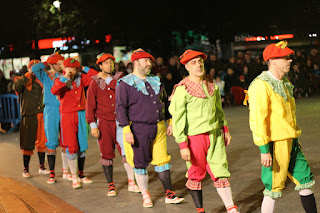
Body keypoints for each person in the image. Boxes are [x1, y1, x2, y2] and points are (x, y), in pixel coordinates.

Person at [246, 41, 317, 213]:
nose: (290, 60)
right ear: (273, 60)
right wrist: (264, 149)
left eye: (289, 57)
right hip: (275, 144)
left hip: (291, 141)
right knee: (273, 188)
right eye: (285, 57)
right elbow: (257, 119)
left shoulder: (284, 82)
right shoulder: (261, 85)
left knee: (305, 181)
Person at [169, 49, 239, 213]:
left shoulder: (210, 85)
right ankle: (200, 210)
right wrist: (182, 145)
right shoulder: (182, 89)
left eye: (200, 61)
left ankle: (231, 207)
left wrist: (225, 129)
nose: (198, 65)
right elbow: (178, 118)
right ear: (186, 67)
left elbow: (218, 110)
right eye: (193, 62)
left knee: (220, 170)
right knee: (195, 172)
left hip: (214, 135)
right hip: (195, 138)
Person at [116, 48, 184, 208]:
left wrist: (170, 121)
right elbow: (120, 108)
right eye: (146, 61)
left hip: (158, 127)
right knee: (140, 163)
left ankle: (169, 194)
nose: (149, 64)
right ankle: (146, 195)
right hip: (138, 129)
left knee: (162, 161)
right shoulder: (125, 83)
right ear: (136, 62)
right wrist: (126, 130)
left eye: (150, 61)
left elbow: (165, 101)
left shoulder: (156, 80)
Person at [86, 53, 139, 196]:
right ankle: (111, 185)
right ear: (100, 66)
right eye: (106, 63)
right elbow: (90, 105)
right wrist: (93, 125)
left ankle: (131, 182)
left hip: (121, 121)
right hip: (103, 122)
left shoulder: (120, 79)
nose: (110, 65)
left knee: (127, 151)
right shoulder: (94, 82)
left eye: (111, 62)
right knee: (106, 154)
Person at [51, 57, 97, 189]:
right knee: (71, 145)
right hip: (67, 115)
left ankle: (81, 175)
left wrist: (83, 68)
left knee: (82, 145)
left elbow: (96, 76)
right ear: (64, 68)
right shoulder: (59, 80)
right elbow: (54, 91)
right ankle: (74, 177)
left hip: (81, 114)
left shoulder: (81, 78)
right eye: (70, 68)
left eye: (75, 68)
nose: (73, 70)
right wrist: (65, 77)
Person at [31, 52, 71, 184]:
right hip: (50, 110)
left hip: (64, 109)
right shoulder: (45, 76)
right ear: (53, 64)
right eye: (58, 63)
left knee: (66, 140)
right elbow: (34, 68)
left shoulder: (65, 76)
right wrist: (47, 62)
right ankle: (52, 174)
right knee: (51, 142)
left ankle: (66, 172)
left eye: (61, 63)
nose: (60, 65)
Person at [13, 60, 49, 177]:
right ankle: (26, 169)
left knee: (42, 142)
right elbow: (16, 87)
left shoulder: (43, 79)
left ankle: (42, 167)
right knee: (27, 142)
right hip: (28, 115)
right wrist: (28, 74)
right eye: (32, 68)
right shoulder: (23, 80)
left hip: (41, 113)